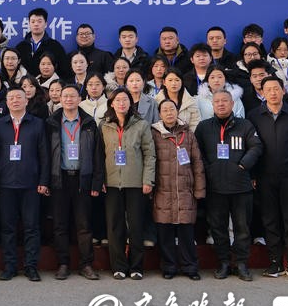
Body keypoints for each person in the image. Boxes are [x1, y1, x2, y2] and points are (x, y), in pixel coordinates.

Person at [248, 76, 288, 280]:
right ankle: (275, 263)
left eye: (276, 88)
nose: (273, 93)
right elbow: (250, 148)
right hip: (265, 177)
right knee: (270, 220)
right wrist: (252, 174)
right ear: (262, 93)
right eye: (268, 89)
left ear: (283, 91)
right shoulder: (254, 115)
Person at [196, 89, 262, 281]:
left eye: (225, 101)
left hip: (241, 187)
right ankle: (223, 263)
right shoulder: (204, 127)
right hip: (215, 187)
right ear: (212, 105)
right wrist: (209, 170)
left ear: (232, 104)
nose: (221, 104)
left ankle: (241, 264)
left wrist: (243, 165)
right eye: (217, 101)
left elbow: (256, 146)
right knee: (218, 228)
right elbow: (197, 152)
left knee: (242, 228)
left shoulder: (245, 125)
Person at [47, 84, 104, 281]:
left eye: (73, 96)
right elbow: (45, 154)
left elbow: (97, 154)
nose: (69, 99)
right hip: (59, 178)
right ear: (60, 99)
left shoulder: (89, 123)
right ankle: (63, 264)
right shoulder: (51, 123)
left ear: (80, 99)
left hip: (82, 178)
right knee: (60, 224)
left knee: (84, 224)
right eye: (65, 96)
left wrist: (96, 181)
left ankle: (86, 264)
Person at [0, 87, 49, 282]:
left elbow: (44, 155)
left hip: (31, 184)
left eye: (19, 97)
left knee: (31, 227)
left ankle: (31, 266)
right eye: (11, 98)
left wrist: (43, 180)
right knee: (7, 227)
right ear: (6, 102)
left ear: (27, 101)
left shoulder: (37, 124)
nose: (15, 100)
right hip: (5, 183)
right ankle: (9, 266)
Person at [99, 89, 154, 280]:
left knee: (136, 225)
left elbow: (149, 154)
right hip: (112, 182)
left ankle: (136, 267)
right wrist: (101, 180)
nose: (121, 103)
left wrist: (147, 180)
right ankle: (119, 266)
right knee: (115, 226)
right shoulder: (104, 126)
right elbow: (99, 155)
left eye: (125, 100)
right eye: (117, 100)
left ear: (131, 103)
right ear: (111, 104)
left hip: (136, 183)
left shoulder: (141, 125)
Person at [151, 99, 205, 280]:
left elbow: (197, 163)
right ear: (160, 114)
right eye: (165, 110)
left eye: (172, 109)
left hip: (185, 191)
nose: (169, 113)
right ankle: (169, 267)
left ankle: (190, 267)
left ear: (177, 111)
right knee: (165, 232)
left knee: (186, 232)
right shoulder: (154, 134)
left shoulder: (187, 133)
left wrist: (199, 189)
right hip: (162, 190)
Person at [16, 7, 66, 76]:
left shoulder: (55, 46)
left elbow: (63, 70)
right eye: (33, 21)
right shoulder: (21, 47)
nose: (36, 24)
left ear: (45, 24)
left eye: (39, 21)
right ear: (29, 24)